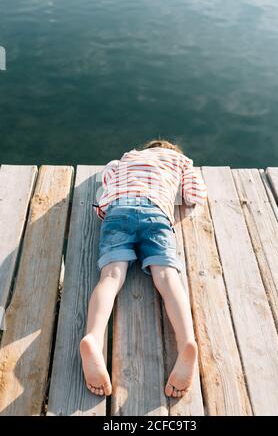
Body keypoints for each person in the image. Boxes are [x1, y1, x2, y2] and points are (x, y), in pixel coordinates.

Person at [80, 139, 207, 399]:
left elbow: (104, 183)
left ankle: (92, 337)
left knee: (111, 276)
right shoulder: (181, 163)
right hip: (156, 213)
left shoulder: (126, 158)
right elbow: (195, 194)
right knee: (167, 277)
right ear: (173, 153)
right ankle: (186, 342)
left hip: (119, 210)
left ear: (146, 149)